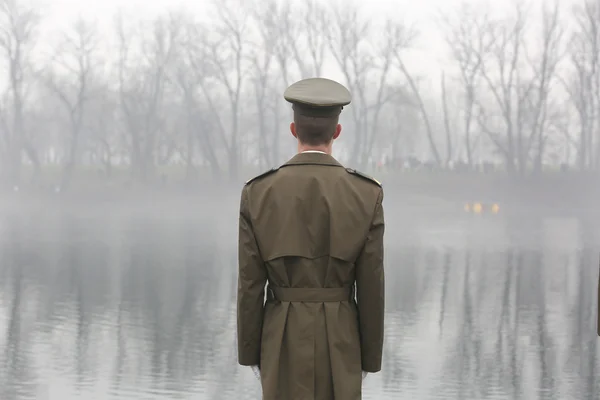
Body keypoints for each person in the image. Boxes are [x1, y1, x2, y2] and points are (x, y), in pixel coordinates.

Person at [237, 77, 385, 400]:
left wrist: (250, 353)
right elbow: (371, 285)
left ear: (293, 130)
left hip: (280, 340)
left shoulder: (258, 193)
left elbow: (250, 285)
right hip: (342, 340)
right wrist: (370, 358)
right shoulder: (366, 194)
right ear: (337, 132)